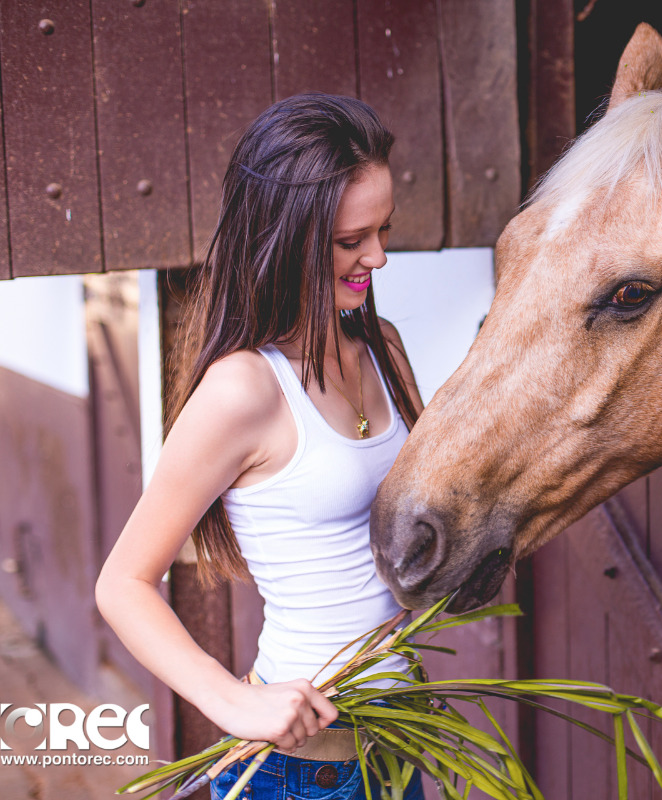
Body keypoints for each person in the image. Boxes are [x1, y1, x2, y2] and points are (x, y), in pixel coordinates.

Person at [95, 93, 426, 800]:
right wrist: (231, 700)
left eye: (383, 229)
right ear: (287, 238)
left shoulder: (384, 347)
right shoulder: (243, 389)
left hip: (397, 744)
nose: (378, 256)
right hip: (299, 771)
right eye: (351, 240)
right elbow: (121, 584)